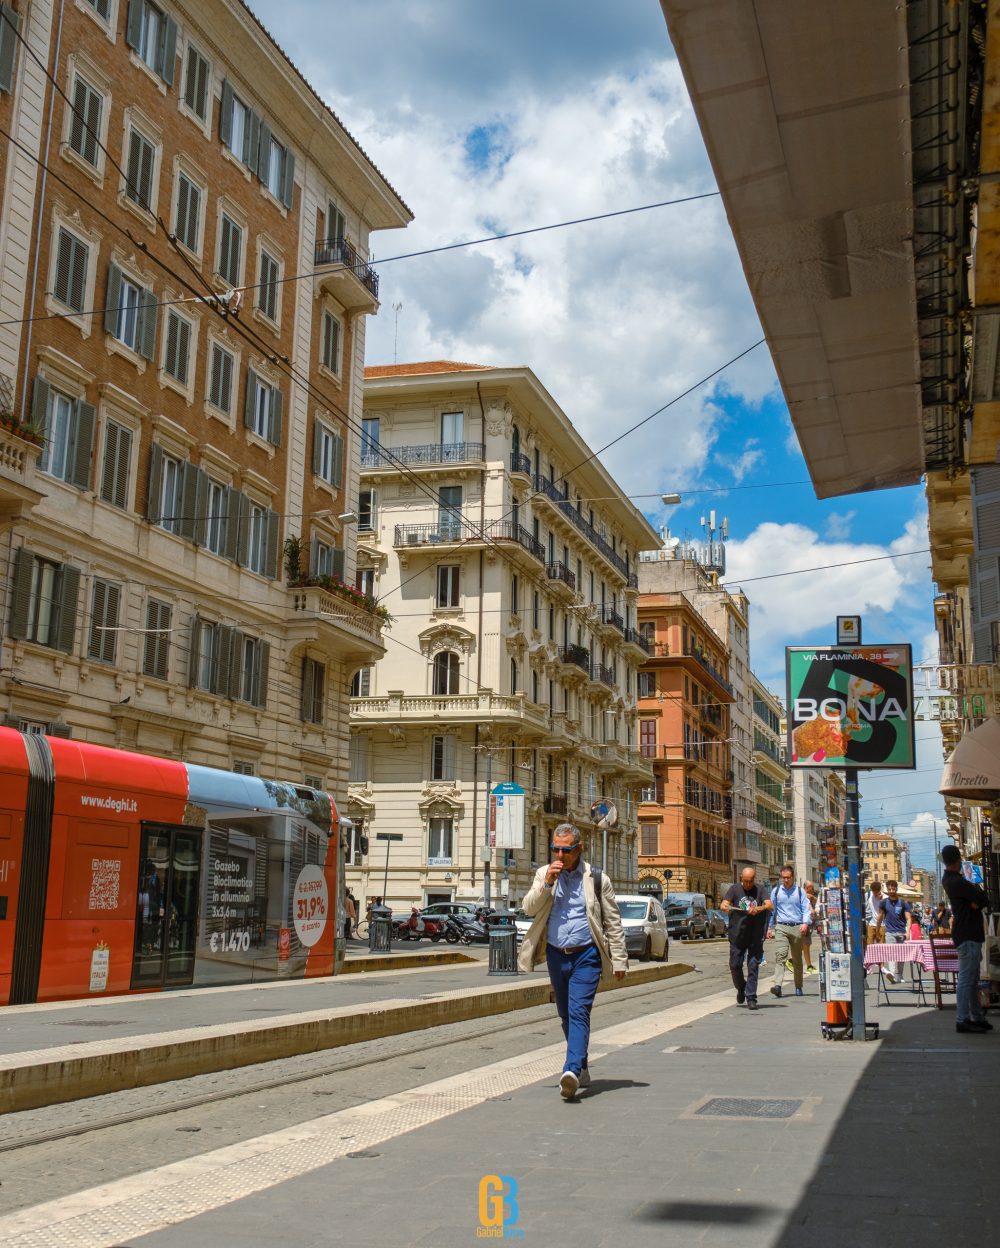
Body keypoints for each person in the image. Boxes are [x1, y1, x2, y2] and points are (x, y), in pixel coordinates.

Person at [517, 822, 627, 1099]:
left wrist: (620, 960)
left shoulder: (597, 878)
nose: (560, 855)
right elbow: (528, 908)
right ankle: (582, 1064)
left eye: (566, 850)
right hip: (556, 954)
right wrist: (547, 884)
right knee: (565, 1014)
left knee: (579, 1012)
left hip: (586, 954)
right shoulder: (544, 873)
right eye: (555, 849)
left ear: (579, 848)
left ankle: (571, 1071)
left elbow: (613, 922)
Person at [940, 845, 993, 1034]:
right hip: (968, 934)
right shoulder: (957, 881)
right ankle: (962, 1019)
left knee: (972, 979)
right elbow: (983, 898)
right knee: (966, 979)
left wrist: (976, 903)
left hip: (967, 934)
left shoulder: (951, 879)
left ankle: (976, 1016)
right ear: (958, 860)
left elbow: (979, 900)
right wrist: (977, 901)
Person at [721, 867, 773, 1010]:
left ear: (754, 879)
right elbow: (723, 904)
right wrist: (726, 906)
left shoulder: (760, 889)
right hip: (737, 935)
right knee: (735, 965)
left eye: (751, 881)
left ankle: (751, 997)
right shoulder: (734, 889)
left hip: (755, 934)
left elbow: (769, 905)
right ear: (741, 879)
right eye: (746, 881)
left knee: (753, 965)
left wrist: (759, 908)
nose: (748, 884)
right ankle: (741, 987)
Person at [767, 865, 811, 999]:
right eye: (784, 878)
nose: (786, 880)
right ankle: (778, 986)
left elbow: (806, 908)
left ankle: (798, 986)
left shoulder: (799, 891)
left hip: (797, 927)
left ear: (793, 877)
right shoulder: (776, 891)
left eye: (788, 878)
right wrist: (769, 927)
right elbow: (771, 910)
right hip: (781, 927)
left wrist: (805, 923)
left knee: (797, 959)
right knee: (780, 956)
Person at [875, 880, 912, 984]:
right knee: (891, 953)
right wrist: (877, 930)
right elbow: (880, 917)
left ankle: (900, 975)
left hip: (901, 932)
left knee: (901, 955)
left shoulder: (903, 903)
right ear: (887, 889)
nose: (891, 891)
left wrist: (908, 932)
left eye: (893, 889)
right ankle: (892, 974)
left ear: (896, 889)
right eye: (889, 889)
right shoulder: (883, 903)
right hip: (889, 932)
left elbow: (909, 918)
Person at [801, 881, 819, 974]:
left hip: (808, 924)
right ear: (807, 888)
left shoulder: (810, 896)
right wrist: (812, 910)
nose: (812, 889)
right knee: (805, 945)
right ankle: (808, 965)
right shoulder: (805, 896)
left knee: (804, 946)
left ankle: (807, 965)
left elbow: (816, 901)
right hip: (805, 924)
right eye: (811, 887)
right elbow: (810, 909)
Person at [865, 881, 885, 945]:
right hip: (871, 924)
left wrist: (881, 900)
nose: (875, 894)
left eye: (877, 892)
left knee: (881, 946)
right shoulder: (868, 895)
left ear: (880, 890)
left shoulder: (885, 897)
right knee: (869, 946)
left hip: (882, 925)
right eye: (874, 892)